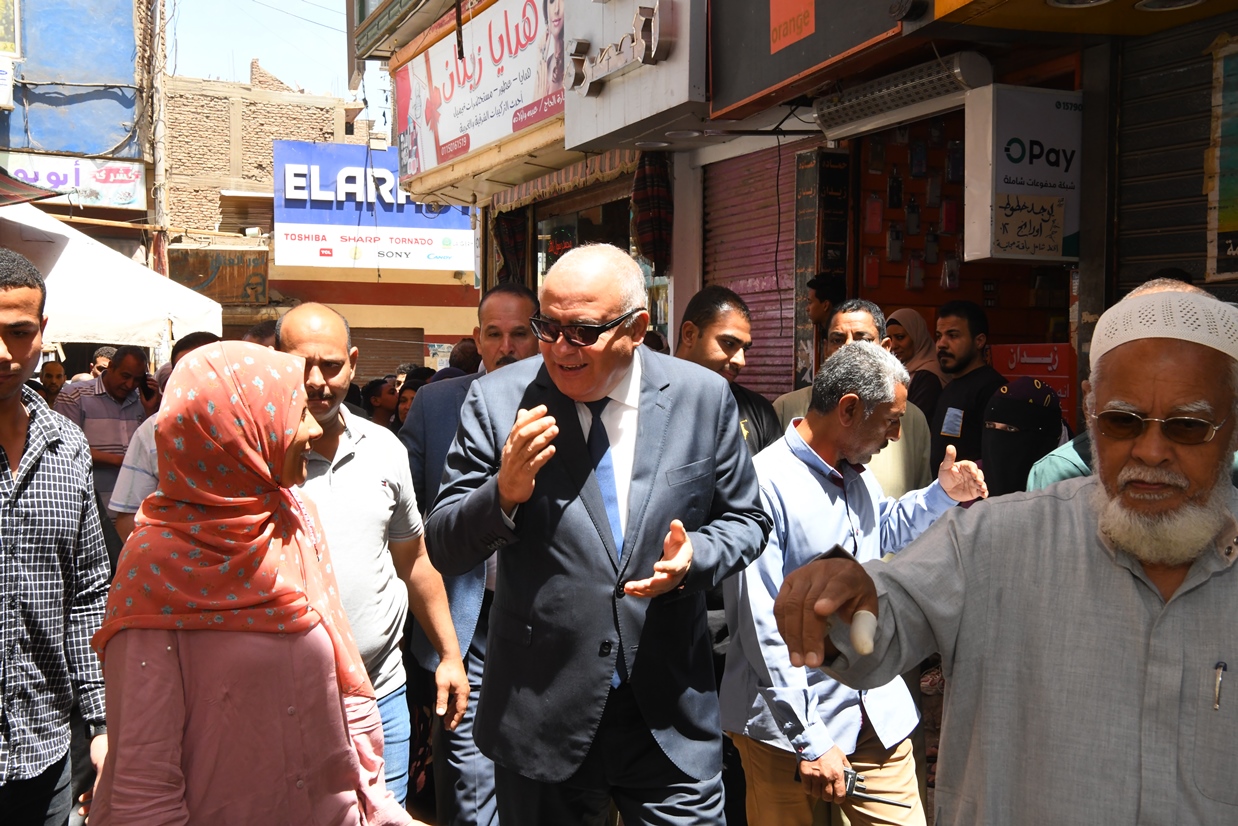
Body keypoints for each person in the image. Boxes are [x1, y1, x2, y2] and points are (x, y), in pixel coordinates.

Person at [773, 288, 1238, 824]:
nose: (1151, 451)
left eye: (1187, 426)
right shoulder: (994, 541)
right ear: (1090, 409)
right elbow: (884, 621)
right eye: (1122, 421)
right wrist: (848, 599)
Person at [425, 244, 772, 825]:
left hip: (668, 715)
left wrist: (695, 557)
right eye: (548, 327)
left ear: (635, 329)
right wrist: (503, 493)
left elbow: (748, 521)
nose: (561, 348)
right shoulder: (499, 399)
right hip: (542, 713)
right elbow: (444, 542)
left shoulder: (702, 398)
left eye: (582, 332)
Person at [89, 341, 411, 826]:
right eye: (295, 413)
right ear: (233, 432)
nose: (312, 428)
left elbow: (342, 692)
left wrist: (376, 804)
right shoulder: (155, 565)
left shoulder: (295, 518)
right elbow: (145, 789)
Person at [723, 342, 985, 826]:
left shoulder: (855, 475)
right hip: (788, 728)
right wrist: (809, 739)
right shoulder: (763, 485)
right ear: (848, 409)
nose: (896, 435)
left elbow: (879, 530)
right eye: (890, 421)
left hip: (876, 714)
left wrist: (942, 495)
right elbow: (763, 627)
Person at [277, 303, 468, 807]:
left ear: (354, 363)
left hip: (380, 697)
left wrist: (450, 654)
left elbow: (414, 561)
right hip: (279, 708)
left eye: (331, 365)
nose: (316, 381)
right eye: (301, 364)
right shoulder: (253, 455)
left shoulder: (385, 449)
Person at [400, 281, 539, 826]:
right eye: (494, 334)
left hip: (543, 619)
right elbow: (409, 514)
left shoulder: (566, 398)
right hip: (464, 619)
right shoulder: (437, 404)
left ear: (539, 336)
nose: (507, 347)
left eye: (519, 333)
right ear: (476, 339)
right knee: (469, 775)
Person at [0, 250, 110, 826]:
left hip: (46, 754)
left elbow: (89, 593)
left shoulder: (67, 446)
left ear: (43, 331)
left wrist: (102, 723)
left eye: (18, 333)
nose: (2, 352)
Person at [774, 300, 932, 499]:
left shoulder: (913, 421)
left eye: (862, 339)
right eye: (837, 339)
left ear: (885, 348)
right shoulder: (786, 409)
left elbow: (919, 504)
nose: (848, 348)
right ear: (825, 348)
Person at [109, 332, 222, 540]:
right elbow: (128, 517)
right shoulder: (153, 430)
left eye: (206, 369)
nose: (196, 379)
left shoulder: (261, 425)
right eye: (184, 371)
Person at [55, 344, 159, 517]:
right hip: (91, 507)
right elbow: (66, 447)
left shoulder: (141, 400)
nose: (129, 384)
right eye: (125, 376)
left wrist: (150, 410)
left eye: (137, 380)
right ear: (111, 367)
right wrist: (120, 460)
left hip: (133, 509)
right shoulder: (74, 396)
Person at [675, 285, 782, 454]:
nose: (741, 361)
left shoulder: (759, 412)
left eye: (745, 349)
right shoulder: (646, 401)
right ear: (689, 334)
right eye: (729, 343)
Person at [928, 300, 1005, 469]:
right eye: (939, 336)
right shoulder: (951, 387)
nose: (941, 344)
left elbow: (997, 457)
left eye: (953, 335)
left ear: (979, 341)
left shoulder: (992, 389)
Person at [980, 377, 1063, 497]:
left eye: (1010, 428)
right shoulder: (973, 478)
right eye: (990, 426)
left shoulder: (1069, 483)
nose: (995, 440)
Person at [886, 309, 947, 417]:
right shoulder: (898, 371)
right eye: (889, 338)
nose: (893, 345)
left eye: (900, 337)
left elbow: (914, 419)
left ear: (917, 337)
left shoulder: (928, 376)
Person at [534, 0, 565, 100]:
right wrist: (540, 59)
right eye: (551, 1)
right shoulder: (546, 63)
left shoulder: (572, 58)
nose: (556, 9)